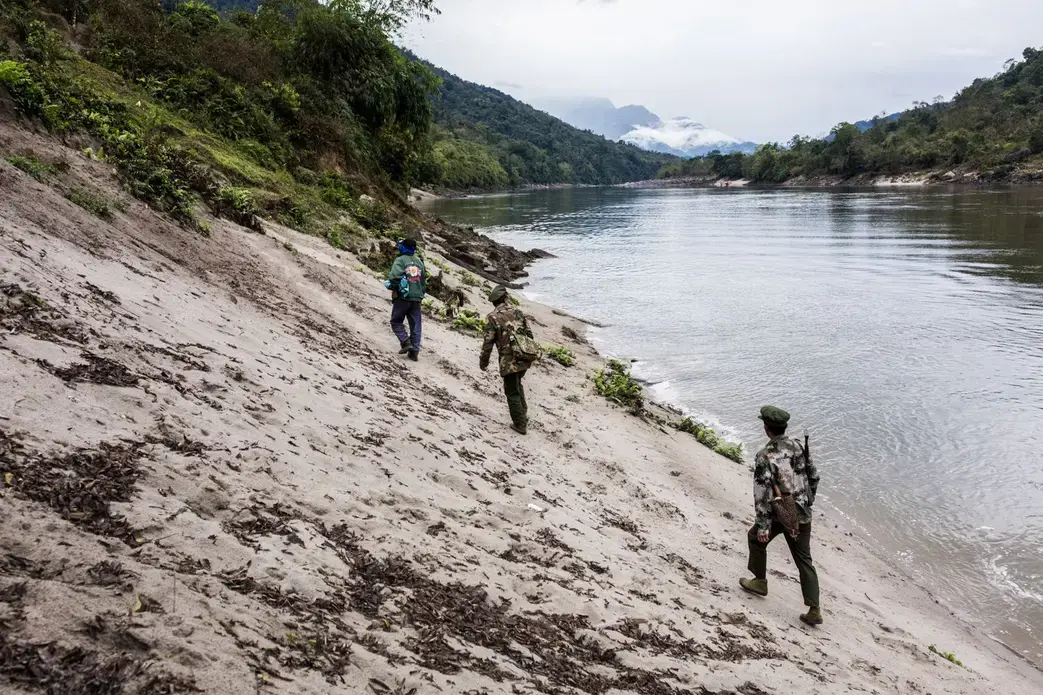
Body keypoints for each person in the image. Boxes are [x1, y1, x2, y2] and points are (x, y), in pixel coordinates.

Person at [740, 405, 823, 626]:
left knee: (754, 538)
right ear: (784, 427)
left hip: (780, 514)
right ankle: (814, 608)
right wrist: (808, 500)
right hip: (802, 513)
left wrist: (764, 525)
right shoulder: (797, 446)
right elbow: (813, 476)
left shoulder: (764, 456)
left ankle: (760, 581)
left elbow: (762, 493)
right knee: (804, 560)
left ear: (766, 428)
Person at [479, 285, 537, 435]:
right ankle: (523, 416)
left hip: (507, 359)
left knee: (512, 391)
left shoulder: (492, 317)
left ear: (494, 302)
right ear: (505, 298)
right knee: (517, 384)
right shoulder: (518, 312)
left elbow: (488, 343)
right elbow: (530, 335)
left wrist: (483, 362)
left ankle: (520, 424)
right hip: (524, 355)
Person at [386, 237, 426, 361]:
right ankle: (415, 351)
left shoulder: (400, 260)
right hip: (417, 298)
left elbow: (394, 277)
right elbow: (424, 280)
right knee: (416, 325)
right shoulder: (419, 261)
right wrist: (420, 293)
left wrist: (392, 286)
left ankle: (405, 341)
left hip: (403, 297)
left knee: (396, 321)